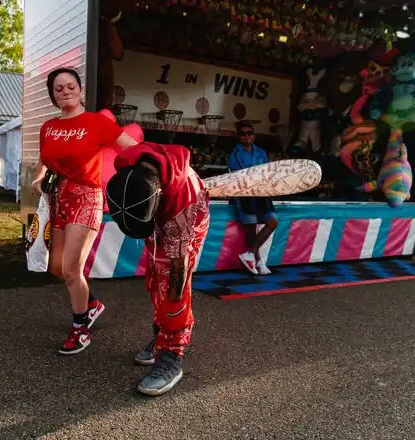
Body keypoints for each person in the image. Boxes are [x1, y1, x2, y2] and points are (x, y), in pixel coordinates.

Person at [31, 67, 138, 355]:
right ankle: (91, 304)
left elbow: (131, 147)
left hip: (87, 197)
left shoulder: (95, 123)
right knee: (55, 267)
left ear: (80, 90)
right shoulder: (48, 127)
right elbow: (45, 158)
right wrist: (39, 176)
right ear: (53, 95)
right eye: (58, 88)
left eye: (70, 86)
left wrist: (150, 167)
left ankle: (80, 328)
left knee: (70, 269)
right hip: (58, 199)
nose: (65, 91)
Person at [106, 142, 209, 396]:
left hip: (189, 217)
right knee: (154, 276)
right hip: (160, 205)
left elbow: (178, 277)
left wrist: (171, 314)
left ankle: (172, 355)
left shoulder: (183, 210)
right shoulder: (129, 172)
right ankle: (160, 334)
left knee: (172, 288)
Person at [228, 121, 278, 275]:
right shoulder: (234, 155)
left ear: (253, 135)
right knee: (251, 231)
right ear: (238, 136)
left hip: (262, 195)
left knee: (273, 222)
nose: (246, 136)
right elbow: (240, 176)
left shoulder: (261, 152)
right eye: (243, 133)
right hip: (245, 196)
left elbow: (267, 172)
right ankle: (258, 262)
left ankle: (250, 255)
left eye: (249, 132)